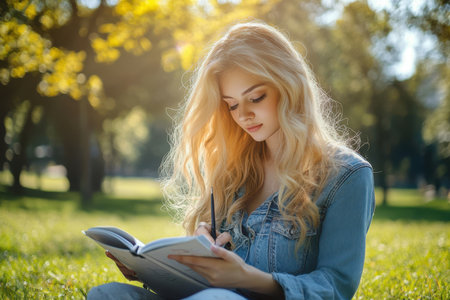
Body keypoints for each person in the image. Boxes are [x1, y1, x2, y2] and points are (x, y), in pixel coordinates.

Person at [88, 21, 375, 300]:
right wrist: (157, 267)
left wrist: (248, 279)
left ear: (289, 85)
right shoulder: (234, 168)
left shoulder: (347, 175)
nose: (242, 115)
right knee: (108, 294)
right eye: (232, 104)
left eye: (256, 97)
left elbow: (336, 286)